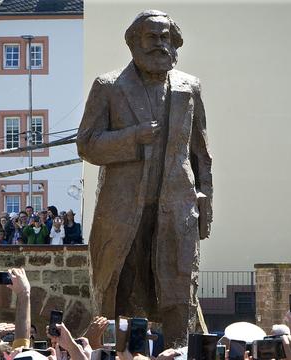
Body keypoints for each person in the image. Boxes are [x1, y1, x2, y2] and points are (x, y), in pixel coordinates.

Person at [77, 10, 213, 345]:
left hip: (177, 208)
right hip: (123, 214)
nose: (160, 44)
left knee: (179, 291)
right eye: (152, 37)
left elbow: (200, 154)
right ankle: (119, 352)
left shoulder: (189, 88)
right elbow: (87, 144)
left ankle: (178, 352)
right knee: (121, 294)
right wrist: (132, 137)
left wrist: (205, 206)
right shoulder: (109, 87)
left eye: (165, 37)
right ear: (135, 42)